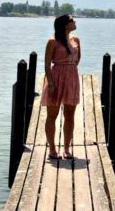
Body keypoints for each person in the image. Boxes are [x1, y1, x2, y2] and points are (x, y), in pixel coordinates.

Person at [42, 13, 81, 160]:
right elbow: (47, 64)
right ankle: (52, 149)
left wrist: (70, 71)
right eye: (72, 20)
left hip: (71, 78)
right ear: (65, 24)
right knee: (52, 115)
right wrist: (51, 83)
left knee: (69, 115)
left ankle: (66, 149)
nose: (75, 21)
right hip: (56, 78)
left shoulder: (75, 40)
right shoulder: (52, 41)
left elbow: (78, 59)